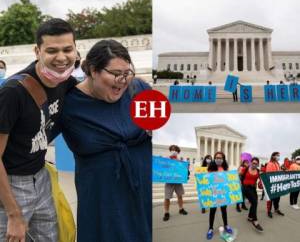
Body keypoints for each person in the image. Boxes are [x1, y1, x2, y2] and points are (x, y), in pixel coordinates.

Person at [60, 39, 152, 242]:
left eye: (127, 73)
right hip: (103, 203)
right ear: (93, 71)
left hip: (141, 194)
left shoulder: (139, 89)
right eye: (116, 74)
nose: (123, 80)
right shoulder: (68, 104)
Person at [0, 18, 77, 241]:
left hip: (41, 178)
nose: (61, 58)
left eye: (67, 49)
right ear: (37, 51)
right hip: (11, 185)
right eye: (52, 50)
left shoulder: (65, 82)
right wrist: (14, 214)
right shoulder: (13, 93)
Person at [206, 151, 233, 240]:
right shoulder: (211, 168)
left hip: (223, 193)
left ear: (223, 159)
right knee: (212, 211)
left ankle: (226, 225)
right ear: (214, 158)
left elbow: (228, 179)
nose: (218, 159)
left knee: (224, 210)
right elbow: (207, 180)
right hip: (214, 193)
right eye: (217, 158)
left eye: (220, 158)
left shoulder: (225, 168)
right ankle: (210, 228)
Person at [163, 145, 188, 221]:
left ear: (178, 152)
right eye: (172, 150)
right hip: (169, 181)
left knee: (180, 195)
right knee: (167, 197)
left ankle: (181, 209)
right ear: (170, 150)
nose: (174, 151)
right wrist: (169, 158)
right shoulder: (166, 159)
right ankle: (166, 212)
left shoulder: (179, 161)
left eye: (175, 150)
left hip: (178, 181)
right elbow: (163, 167)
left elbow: (183, 170)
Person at [241, 157, 264, 232]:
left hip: (253, 188)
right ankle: (255, 220)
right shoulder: (246, 169)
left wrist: (262, 175)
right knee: (254, 202)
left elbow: (261, 179)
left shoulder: (258, 171)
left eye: (256, 163)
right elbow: (238, 175)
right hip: (245, 188)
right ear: (251, 163)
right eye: (253, 163)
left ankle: (250, 217)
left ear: (257, 165)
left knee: (255, 203)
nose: (254, 164)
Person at [266, 152, 285, 218]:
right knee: (270, 199)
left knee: (277, 198)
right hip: (272, 184)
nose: (278, 157)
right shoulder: (270, 164)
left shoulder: (277, 164)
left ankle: (276, 209)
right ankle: (269, 211)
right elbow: (269, 175)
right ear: (273, 156)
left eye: (279, 155)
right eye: (277, 155)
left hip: (278, 184)